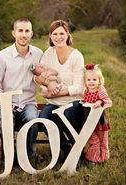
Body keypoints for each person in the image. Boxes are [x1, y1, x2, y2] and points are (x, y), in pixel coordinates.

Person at [0, 18, 43, 160]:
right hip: (7, 103)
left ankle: (29, 154)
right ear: (13, 33)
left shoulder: (38, 54)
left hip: (28, 102)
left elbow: (43, 76)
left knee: (33, 118)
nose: (24, 34)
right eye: (20, 30)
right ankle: (8, 153)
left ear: (31, 34)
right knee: (4, 119)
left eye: (27, 31)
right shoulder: (2, 57)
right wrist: (3, 104)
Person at [35, 20, 85, 159]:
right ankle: (65, 146)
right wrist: (47, 83)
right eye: (55, 34)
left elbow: (78, 88)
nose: (58, 37)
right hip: (54, 102)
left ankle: (78, 150)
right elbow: (38, 77)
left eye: (62, 33)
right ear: (50, 36)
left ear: (68, 35)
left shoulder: (76, 56)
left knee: (67, 117)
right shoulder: (48, 54)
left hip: (74, 101)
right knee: (43, 120)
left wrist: (55, 93)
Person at [83, 64, 112, 163]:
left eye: (94, 80)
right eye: (89, 80)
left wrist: (100, 101)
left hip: (99, 120)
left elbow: (108, 101)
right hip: (89, 120)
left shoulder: (100, 90)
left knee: (102, 140)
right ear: (85, 81)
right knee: (94, 140)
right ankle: (91, 158)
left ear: (99, 81)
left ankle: (103, 158)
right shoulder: (85, 91)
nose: (91, 82)